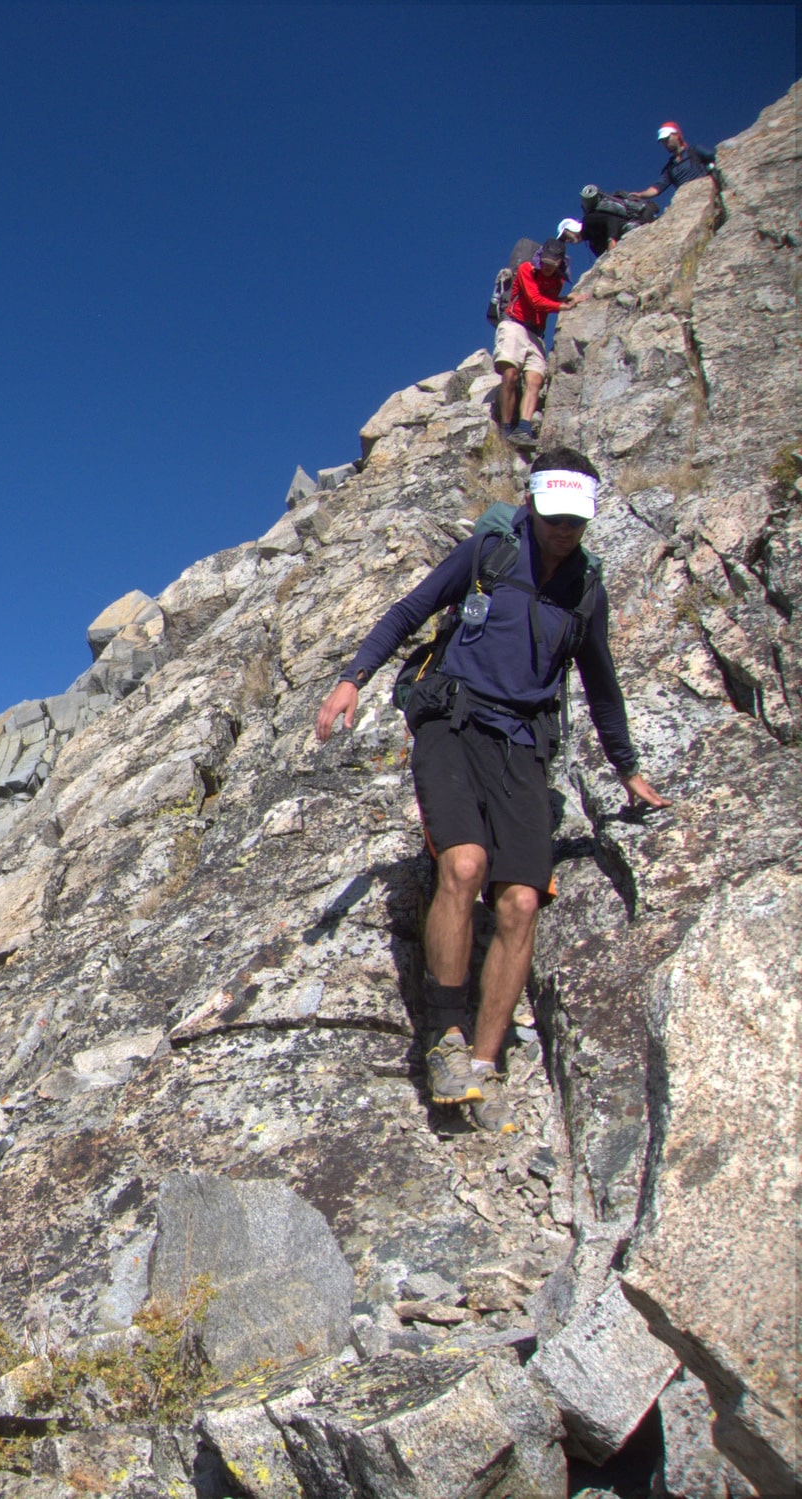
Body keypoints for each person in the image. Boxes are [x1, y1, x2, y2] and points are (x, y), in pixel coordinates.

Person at [314, 448, 670, 1132]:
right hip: (454, 720)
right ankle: (444, 1037)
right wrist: (353, 676)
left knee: (521, 901)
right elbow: (408, 610)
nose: (565, 530)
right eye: (555, 516)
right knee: (465, 864)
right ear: (532, 503)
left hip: (524, 745)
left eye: (577, 520)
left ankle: (480, 1063)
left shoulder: (586, 592)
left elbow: (602, 685)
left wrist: (626, 768)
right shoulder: (490, 551)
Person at [494, 241, 588, 446]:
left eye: (552, 264)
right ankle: (506, 429)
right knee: (510, 374)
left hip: (536, 333)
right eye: (545, 262)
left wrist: (566, 298)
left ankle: (524, 429)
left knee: (535, 380)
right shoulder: (526, 269)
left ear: (559, 263)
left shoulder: (557, 281)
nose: (547, 267)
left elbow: (548, 301)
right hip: (515, 325)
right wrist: (564, 306)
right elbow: (535, 300)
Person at [631, 122, 715, 206]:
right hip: (686, 200)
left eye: (667, 139)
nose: (665, 143)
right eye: (663, 141)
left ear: (677, 135)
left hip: (705, 192)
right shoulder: (670, 168)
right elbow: (658, 187)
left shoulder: (694, 151)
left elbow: (716, 158)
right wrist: (641, 195)